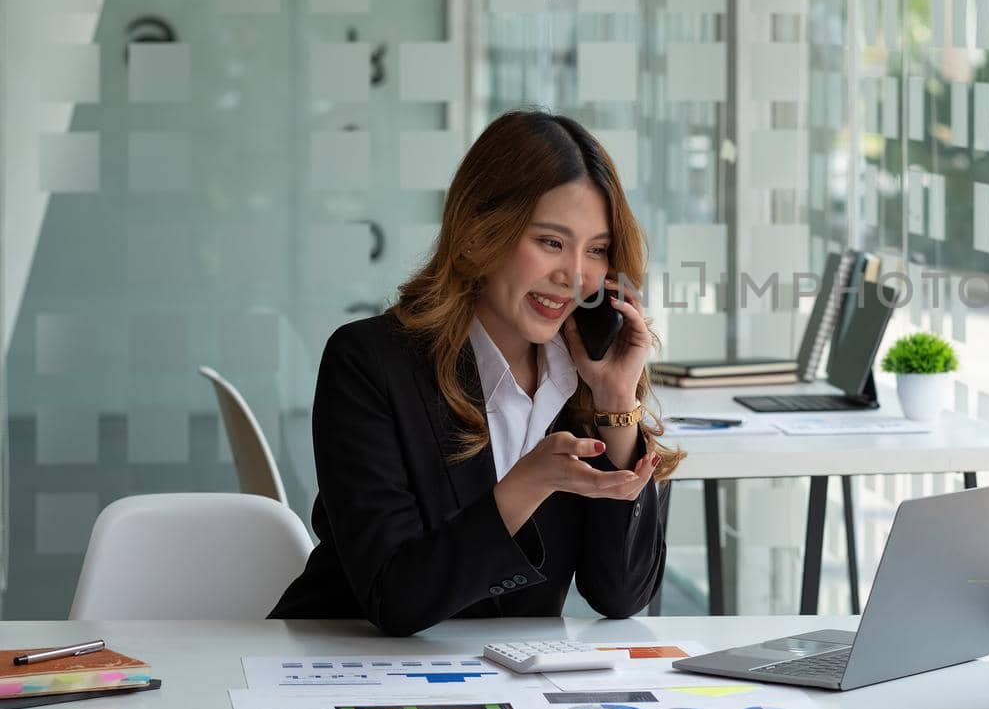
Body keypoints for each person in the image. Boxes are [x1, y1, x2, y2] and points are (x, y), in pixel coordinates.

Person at [270, 110, 683, 635]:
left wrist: (617, 403)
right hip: (342, 667)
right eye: (551, 242)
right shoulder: (369, 363)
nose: (575, 275)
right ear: (476, 236)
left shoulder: (585, 380)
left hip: (499, 691)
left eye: (597, 250)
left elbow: (621, 594)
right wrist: (527, 484)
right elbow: (394, 599)